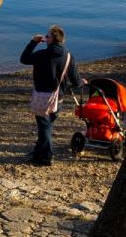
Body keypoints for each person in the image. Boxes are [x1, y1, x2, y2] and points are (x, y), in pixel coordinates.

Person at [19, 25, 82, 166]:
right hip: (58, 99)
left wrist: (33, 42)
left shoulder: (42, 55)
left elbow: (24, 59)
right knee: (46, 126)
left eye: (47, 36)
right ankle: (38, 152)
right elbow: (75, 80)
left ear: (53, 39)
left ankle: (47, 156)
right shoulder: (69, 56)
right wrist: (82, 83)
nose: (44, 38)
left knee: (45, 127)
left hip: (42, 97)